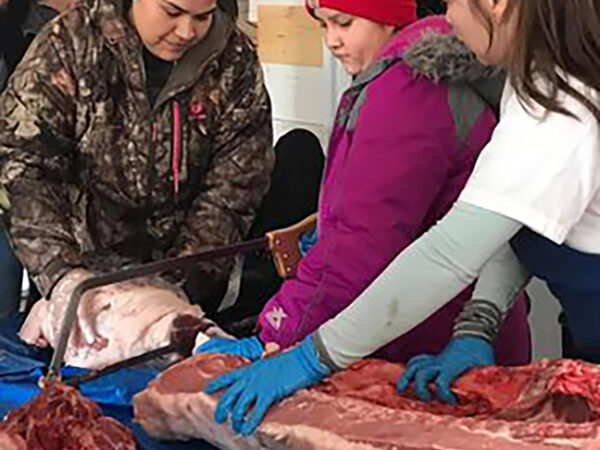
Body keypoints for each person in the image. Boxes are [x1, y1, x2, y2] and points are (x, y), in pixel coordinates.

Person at [204, 0, 600, 434]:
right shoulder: (536, 83)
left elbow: (448, 253)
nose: (447, 17)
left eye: (453, 1)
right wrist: (479, 325)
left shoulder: (565, 109)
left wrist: (309, 356)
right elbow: (513, 222)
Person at [0, 0, 274, 345]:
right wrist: (61, 276)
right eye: (172, 12)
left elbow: (235, 184)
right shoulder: (69, 44)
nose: (187, 31)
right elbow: (25, 164)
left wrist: (178, 284)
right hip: (82, 287)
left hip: (184, 289)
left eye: (203, 17)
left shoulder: (233, 61)